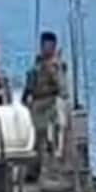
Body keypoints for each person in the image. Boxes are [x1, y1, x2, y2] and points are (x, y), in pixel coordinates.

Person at [21, 31, 67, 172]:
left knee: (47, 138)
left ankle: (48, 168)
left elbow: (62, 88)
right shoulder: (38, 63)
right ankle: (34, 169)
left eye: (50, 46)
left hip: (48, 103)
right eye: (45, 45)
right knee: (35, 139)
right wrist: (24, 99)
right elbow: (30, 83)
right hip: (36, 103)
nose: (47, 49)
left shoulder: (54, 66)